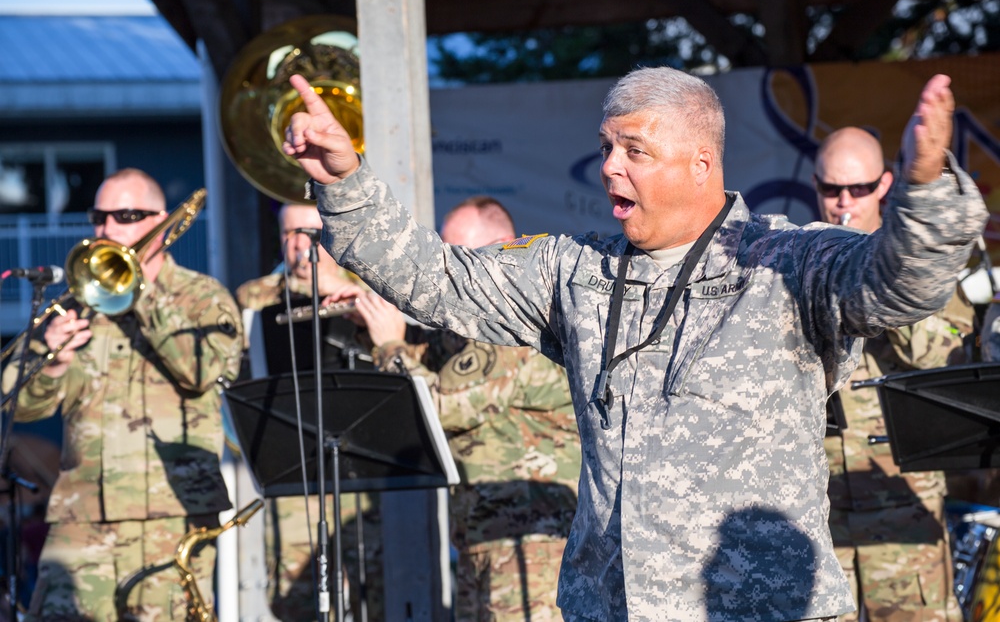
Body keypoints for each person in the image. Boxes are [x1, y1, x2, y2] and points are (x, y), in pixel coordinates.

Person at [281, 69, 989, 621]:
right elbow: (433, 280)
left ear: (700, 163)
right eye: (606, 148)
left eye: (635, 150)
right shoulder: (575, 272)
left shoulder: (788, 262)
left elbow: (901, 286)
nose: (610, 167)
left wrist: (924, 190)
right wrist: (346, 182)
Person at [2, 169, 243, 621]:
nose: (108, 229)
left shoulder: (202, 297)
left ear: (163, 224)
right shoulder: (76, 303)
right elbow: (23, 404)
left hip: (171, 516)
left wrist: (142, 290)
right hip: (80, 516)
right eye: (99, 216)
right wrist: (53, 361)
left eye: (127, 215)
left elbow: (203, 370)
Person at [336, 196, 581, 621]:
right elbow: (437, 356)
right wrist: (368, 327)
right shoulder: (476, 330)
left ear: (505, 247)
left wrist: (389, 345)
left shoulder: (517, 335)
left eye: (463, 257)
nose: (455, 274)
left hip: (530, 546)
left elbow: (440, 406)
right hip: (481, 538)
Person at [814, 127, 970, 622]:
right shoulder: (799, 262)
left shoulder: (921, 266)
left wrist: (887, 284)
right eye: (831, 189)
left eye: (857, 189)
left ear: (884, 185)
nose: (844, 201)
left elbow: (942, 360)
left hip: (903, 512)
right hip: (820, 518)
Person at [235, 202, 383, 622]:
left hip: (359, 469)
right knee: (294, 596)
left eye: (312, 234)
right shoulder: (256, 295)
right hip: (294, 467)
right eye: (291, 233)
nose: (301, 244)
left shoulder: (364, 287)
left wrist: (335, 287)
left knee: (373, 587)